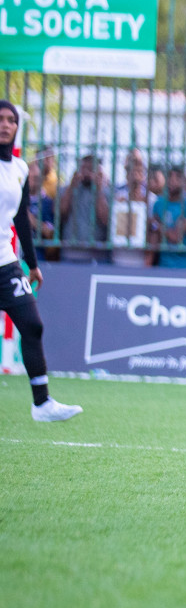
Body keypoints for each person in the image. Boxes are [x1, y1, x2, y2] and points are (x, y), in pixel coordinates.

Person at [0, 100, 81, 421]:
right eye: (0, 119)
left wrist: (31, 264)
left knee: (32, 325)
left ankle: (42, 403)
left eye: (10, 120)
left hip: (6, 263)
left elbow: (20, 218)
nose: (5, 124)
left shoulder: (18, 169)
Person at [57, 153, 111, 263]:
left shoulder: (107, 192)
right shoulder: (67, 190)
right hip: (70, 254)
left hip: (97, 256)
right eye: (84, 168)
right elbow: (60, 214)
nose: (87, 173)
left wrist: (99, 189)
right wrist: (72, 186)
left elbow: (106, 220)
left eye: (91, 169)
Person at [110, 150, 154, 267]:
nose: (135, 174)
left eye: (139, 170)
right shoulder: (116, 196)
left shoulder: (152, 199)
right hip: (118, 257)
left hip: (140, 259)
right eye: (131, 169)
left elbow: (154, 230)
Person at [151, 166, 186, 269]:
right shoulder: (158, 204)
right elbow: (154, 238)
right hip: (163, 265)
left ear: (184, 181)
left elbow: (176, 236)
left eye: (177, 177)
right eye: (169, 176)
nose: (172, 181)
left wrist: (157, 225)